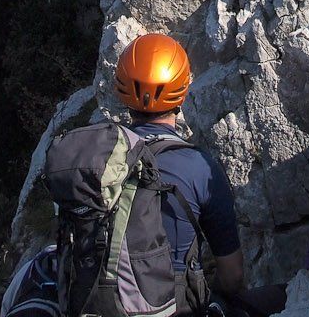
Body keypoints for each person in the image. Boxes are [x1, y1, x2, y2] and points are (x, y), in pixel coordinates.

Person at [114, 34, 287, 317]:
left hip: (96, 304)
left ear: (120, 89)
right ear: (182, 91)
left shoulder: (94, 159)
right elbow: (233, 276)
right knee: (284, 297)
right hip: (171, 308)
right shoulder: (198, 167)